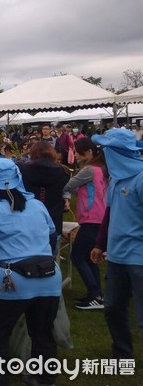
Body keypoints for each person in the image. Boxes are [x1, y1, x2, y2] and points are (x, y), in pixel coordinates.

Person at [0, 158, 61, 386]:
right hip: (49, 280)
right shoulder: (38, 205)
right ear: (18, 177)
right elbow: (51, 237)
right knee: (43, 334)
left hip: (12, 283)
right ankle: (44, 379)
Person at [90, 128, 143, 360]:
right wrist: (100, 244)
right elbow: (109, 214)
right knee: (112, 307)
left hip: (139, 258)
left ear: (118, 151)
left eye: (107, 149)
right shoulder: (116, 180)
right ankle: (122, 353)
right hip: (117, 257)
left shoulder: (141, 177)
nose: (104, 154)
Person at [62, 137, 107, 310]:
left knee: (78, 256)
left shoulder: (89, 169)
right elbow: (77, 187)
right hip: (99, 217)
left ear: (88, 152)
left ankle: (95, 294)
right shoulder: (101, 169)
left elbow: (67, 184)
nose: (76, 157)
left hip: (91, 218)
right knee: (90, 257)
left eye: (78, 154)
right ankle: (96, 294)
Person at [18, 142, 70, 254]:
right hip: (54, 220)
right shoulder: (63, 172)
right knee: (50, 259)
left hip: (29, 220)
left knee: (28, 257)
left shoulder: (22, 169)